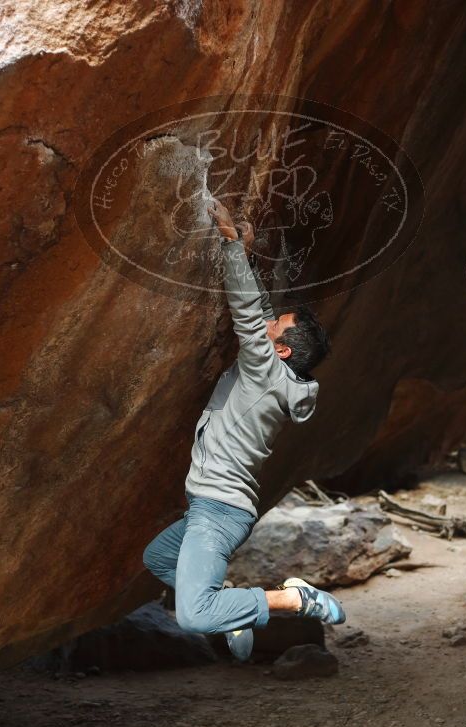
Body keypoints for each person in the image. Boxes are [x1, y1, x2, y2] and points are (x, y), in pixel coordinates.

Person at [143, 197, 345, 661]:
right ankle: (231, 608)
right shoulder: (279, 377)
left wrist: (234, 244)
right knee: (158, 557)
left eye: (278, 326)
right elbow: (261, 316)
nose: (270, 322)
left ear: (283, 352)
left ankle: (294, 600)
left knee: (194, 615)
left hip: (219, 511)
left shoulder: (265, 373)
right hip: (210, 508)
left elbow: (249, 315)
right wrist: (250, 256)